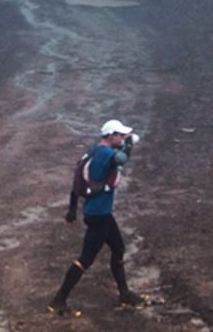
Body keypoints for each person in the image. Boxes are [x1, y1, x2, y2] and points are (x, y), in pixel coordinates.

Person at [48, 118, 144, 315]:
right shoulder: (105, 153)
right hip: (98, 215)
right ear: (110, 135)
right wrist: (129, 144)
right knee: (86, 259)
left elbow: (77, 182)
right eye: (120, 135)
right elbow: (122, 160)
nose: (123, 137)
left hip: (100, 213)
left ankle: (124, 293)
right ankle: (58, 300)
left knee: (118, 247)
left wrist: (72, 210)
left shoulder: (93, 150)